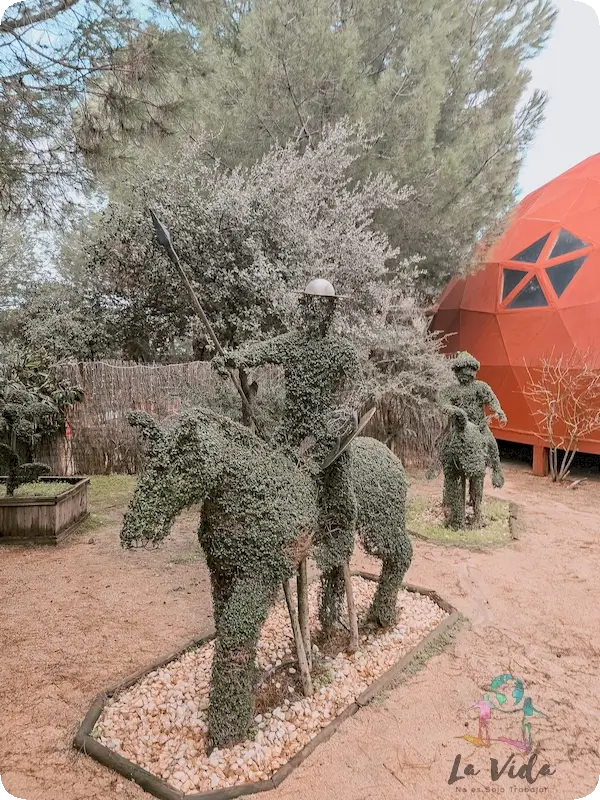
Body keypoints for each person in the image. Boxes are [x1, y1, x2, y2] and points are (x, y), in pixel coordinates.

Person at [212, 278, 369, 632]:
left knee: (339, 494)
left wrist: (343, 415)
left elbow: (361, 389)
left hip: (327, 439)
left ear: (331, 309)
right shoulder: (290, 343)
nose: (315, 311)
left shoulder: (342, 351)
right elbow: (257, 352)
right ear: (304, 307)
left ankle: (336, 541)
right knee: (268, 482)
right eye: (310, 304)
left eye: (321, 305)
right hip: (290, 433)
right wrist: (232, 359)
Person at [441, 351, 507, 489]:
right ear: (457, 371)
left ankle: (496, 470)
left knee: (492, 444)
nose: (466, 372)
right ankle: (440, 467)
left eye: (469, 369)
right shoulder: (451, 390)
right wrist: (453, 410)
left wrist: (498, 410)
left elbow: (491, 400)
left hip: (479, 427)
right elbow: (443, 403)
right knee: (444, 445)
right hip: (459, 428)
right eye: (462, 369)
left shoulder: (480, 387)